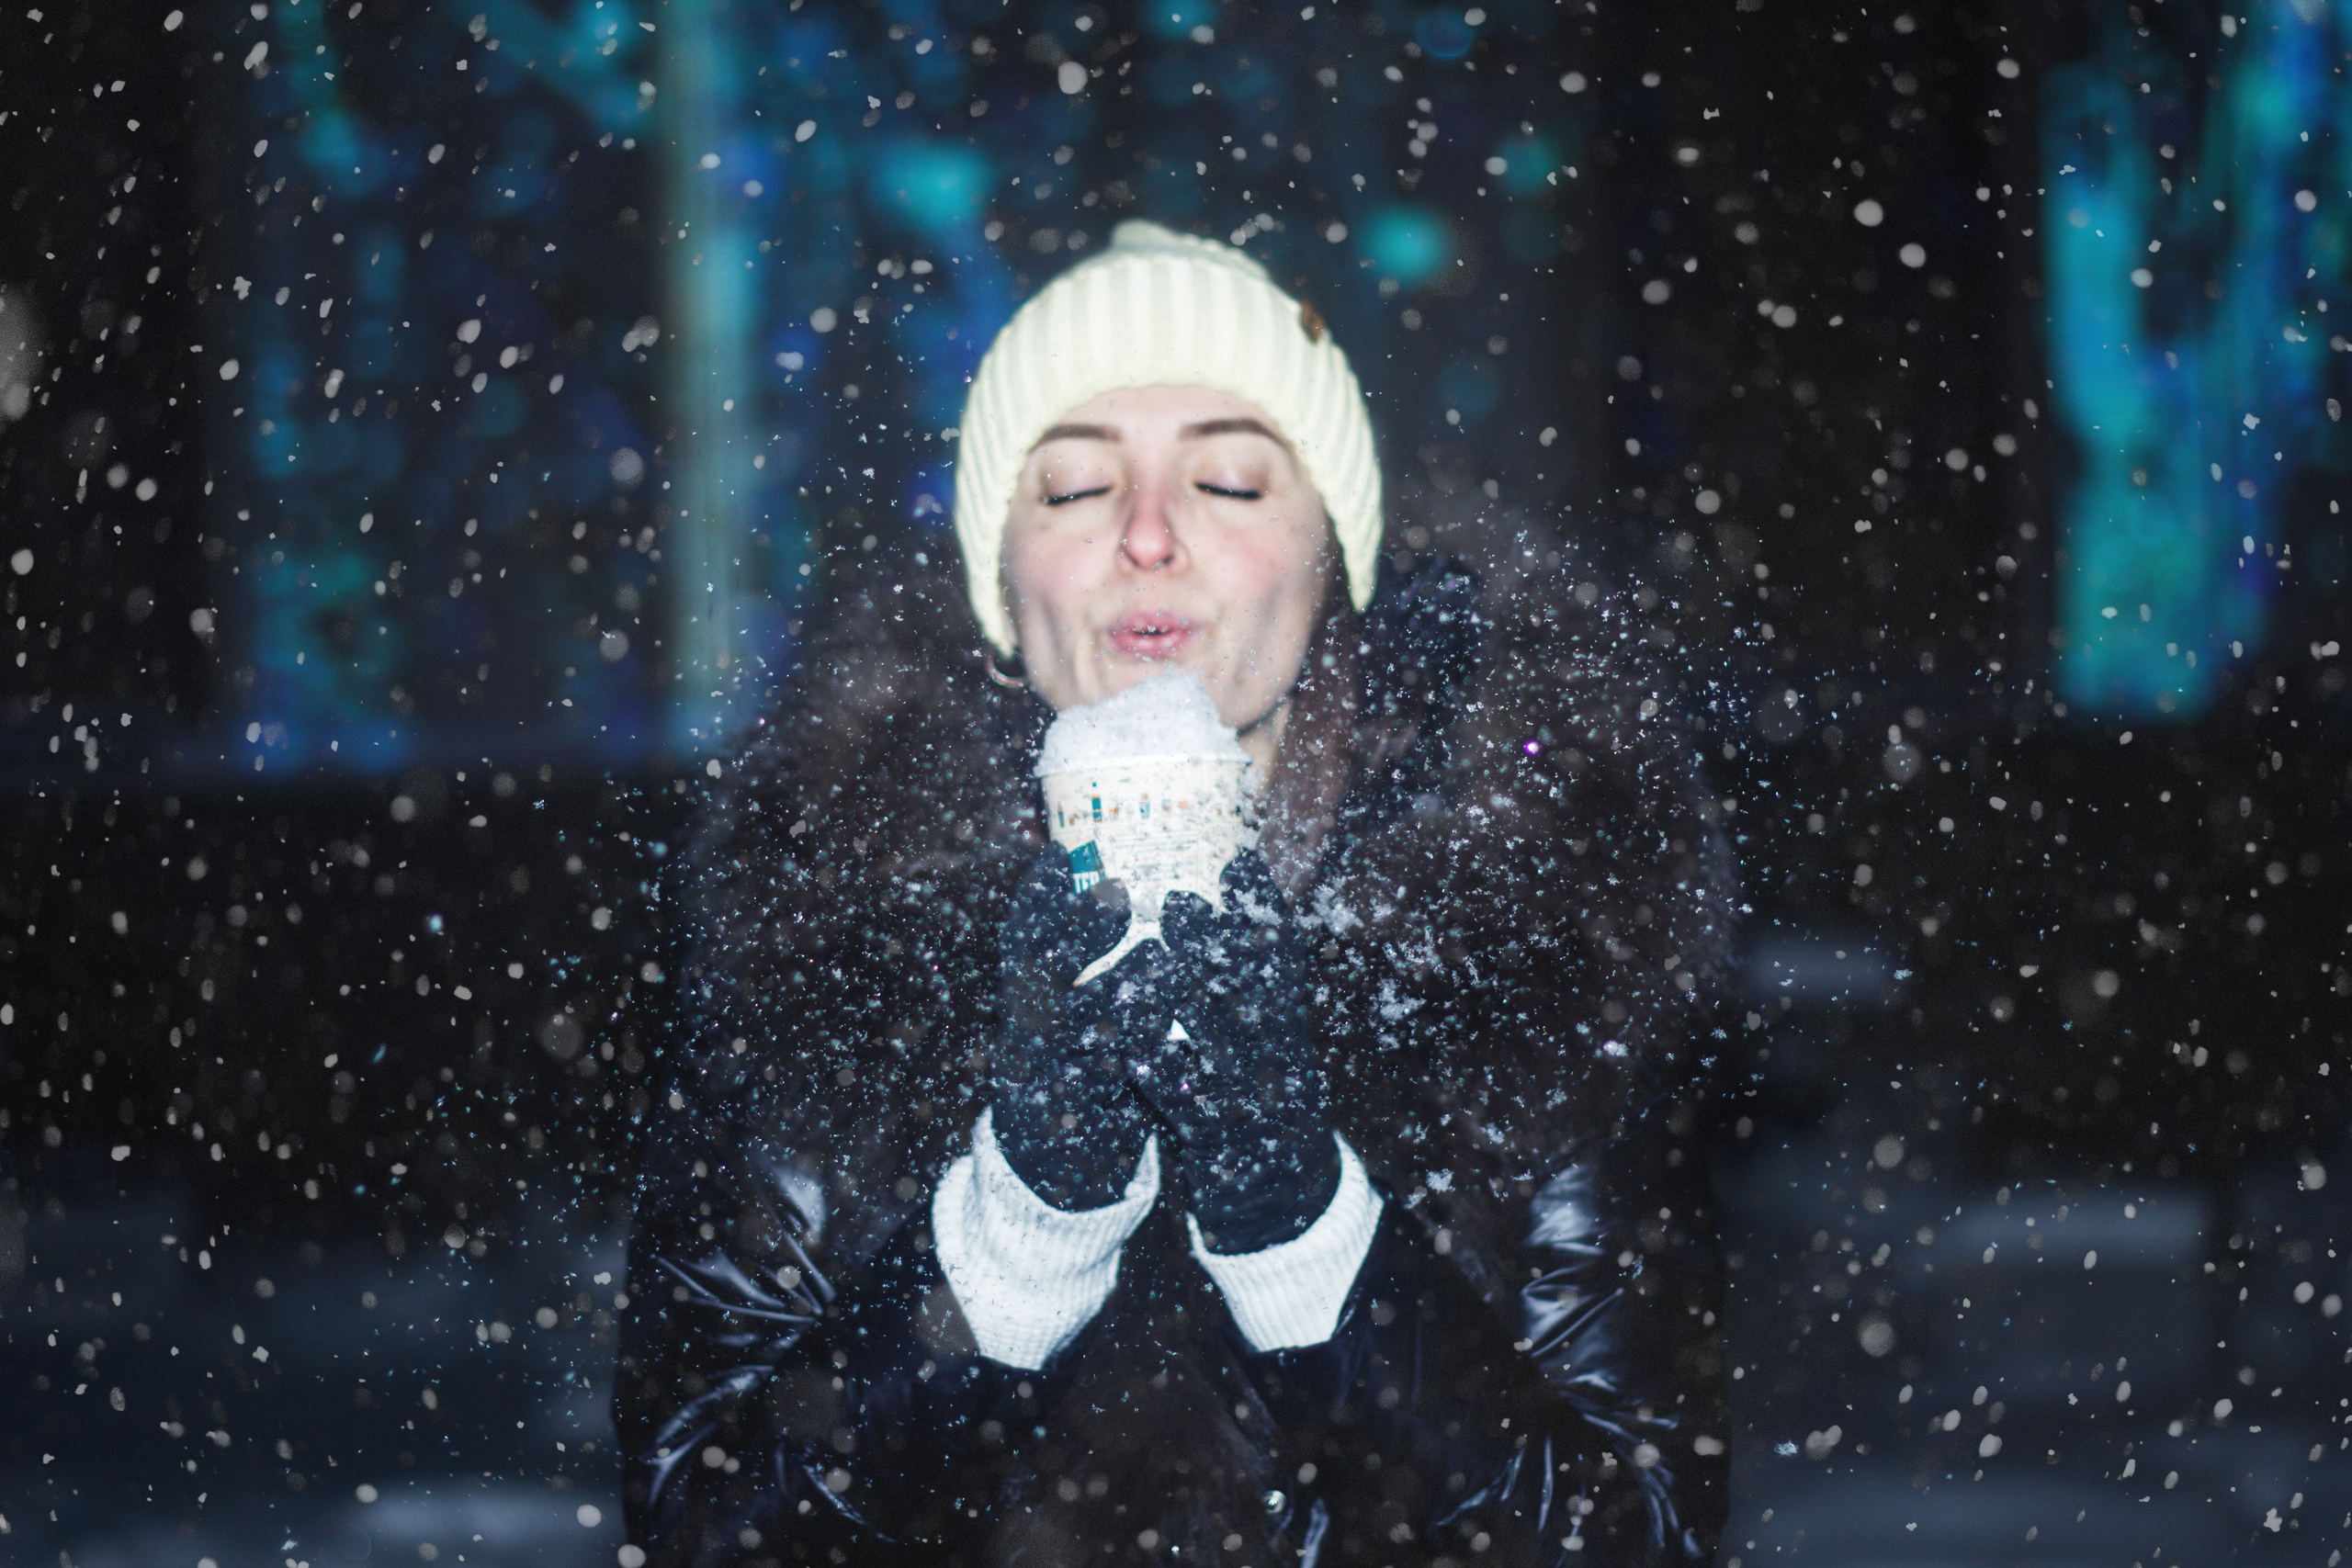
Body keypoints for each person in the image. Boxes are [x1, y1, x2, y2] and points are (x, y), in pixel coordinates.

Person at [617, 220, 1737, 1567]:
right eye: (1076, 487)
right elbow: (703, 1533)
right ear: (1000, 582)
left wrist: (1304, 1229)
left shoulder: (1543, 928)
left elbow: (1641, 1536)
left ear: (1335, 561)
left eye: (1229, 480)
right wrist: (1017, 1232)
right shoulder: (820, 936)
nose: (1148, 534)